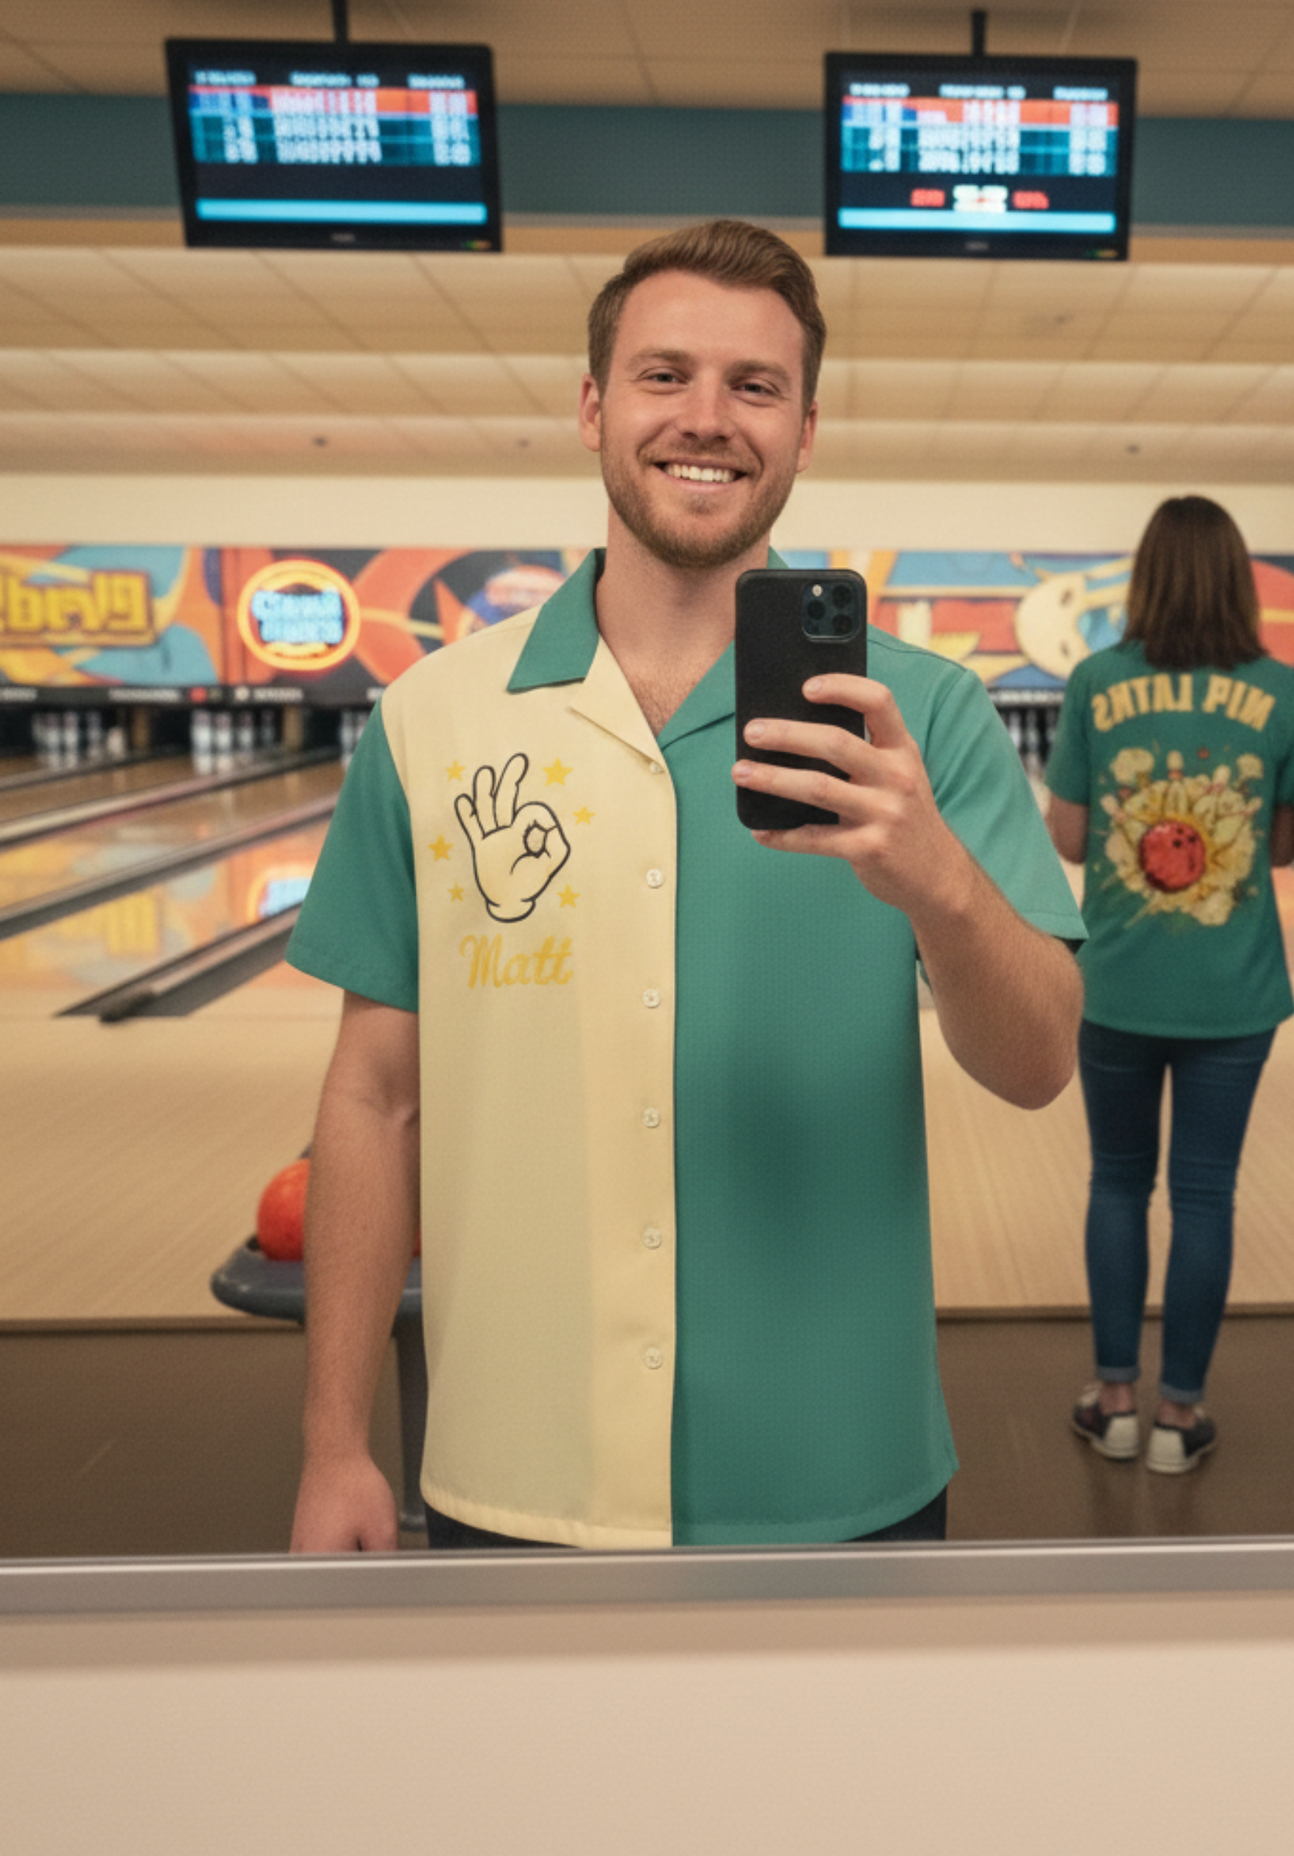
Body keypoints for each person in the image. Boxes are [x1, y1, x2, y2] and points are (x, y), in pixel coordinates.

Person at [285, 219, 1086, 1553]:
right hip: (509, 1468)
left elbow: (1038, 1060)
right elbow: (377, 1094)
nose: (706, 419)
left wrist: (940, 886)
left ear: (807, 428)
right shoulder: (435, 716)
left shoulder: (925, 718)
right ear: (595, 404)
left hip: (842, 1469)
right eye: (664, 376)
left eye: (754, 386)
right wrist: (332, 1442)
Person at [1043, 497, 1294, 1474]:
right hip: (1233, 994)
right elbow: (1283, 844)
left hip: (1114, 983)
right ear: (1237, 579)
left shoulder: (1095, 679)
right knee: (1204, 1194)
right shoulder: (1280, 690)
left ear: (1144, 577)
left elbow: (1066, 837)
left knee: (1116, 1181)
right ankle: (1176, 1416)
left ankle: (1111, 1399)